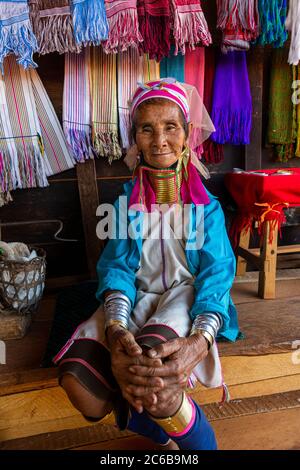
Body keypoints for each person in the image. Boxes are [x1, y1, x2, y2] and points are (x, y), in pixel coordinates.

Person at [54, 78, 240, 451]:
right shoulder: (125, 204)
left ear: (187, 134)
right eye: (146, 129)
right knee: (78, 381)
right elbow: (118, 267)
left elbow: (217, 274)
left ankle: (202, 446)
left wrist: (200, 341)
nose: (159, 141)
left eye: (171, 127)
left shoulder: (205, 207)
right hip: (136, 297)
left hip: (186, 300)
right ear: (134, 138)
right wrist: (116, 329)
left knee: (155, 371)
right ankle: (164, 431)